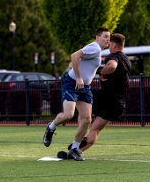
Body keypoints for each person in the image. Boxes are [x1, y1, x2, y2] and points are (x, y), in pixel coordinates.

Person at [43, 27, 111, 161]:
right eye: (105, 36)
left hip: (85, 87)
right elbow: (74, 55)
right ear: (97, 37)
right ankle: (51, 127)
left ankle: (74, 149)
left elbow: (77, 59)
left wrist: (76, 69)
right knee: (68, 115)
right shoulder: (95, 48)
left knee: (86, 119)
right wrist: (79, 77)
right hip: (72, 83)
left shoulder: (97, 50)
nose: (108, 39)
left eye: (109, 37)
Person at [77, 33, 131, 153]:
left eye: (109, 43)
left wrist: (102, 72)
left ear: (113, 44)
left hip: (106, 97)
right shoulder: (127, 60)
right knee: (95, 129)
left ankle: (77, 141)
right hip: (119, 102)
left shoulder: (113, 56)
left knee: (82, 108)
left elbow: (112, 66)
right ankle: (78, 151)